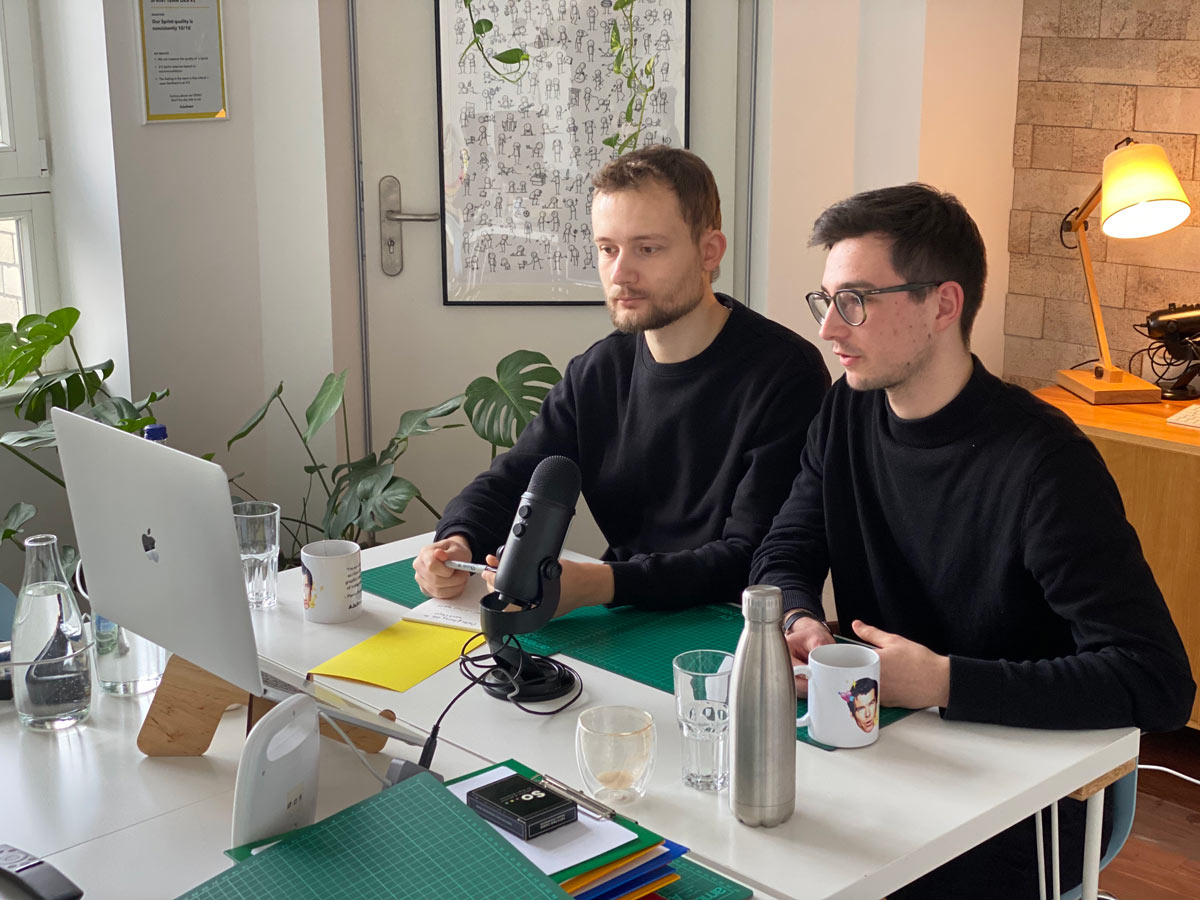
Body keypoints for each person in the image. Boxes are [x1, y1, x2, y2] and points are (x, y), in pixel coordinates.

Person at [749, 183, 1194, 898]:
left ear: (942, 305)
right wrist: (801, 622)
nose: (830, 329)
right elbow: (786, 549)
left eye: (855, 300)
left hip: (1028, 802)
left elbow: (1157, 682)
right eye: (825, 300)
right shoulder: (846, 411)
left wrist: (943, 682)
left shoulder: (1043, 463)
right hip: (886, 749)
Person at [415, 145, 829, 614]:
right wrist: (456, 541)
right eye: (607, 249)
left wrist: (602, 584)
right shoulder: (597, 372)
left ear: (709, 251)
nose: (620, 273)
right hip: (625, 610)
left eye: (647, 249)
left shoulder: (785, 375)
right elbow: (511, 480)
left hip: (730, 627)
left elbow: (754, 561)